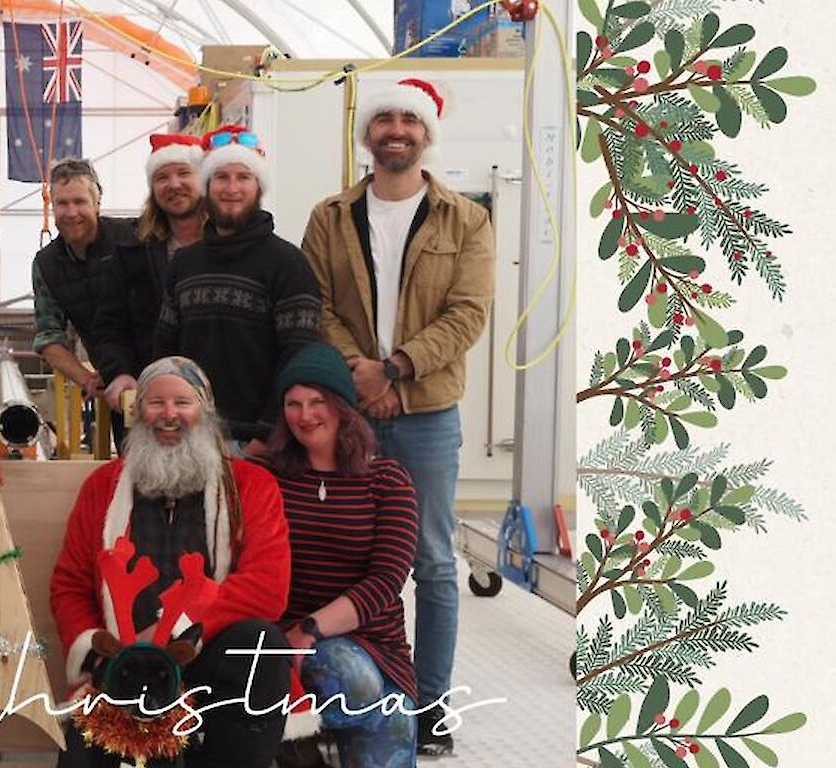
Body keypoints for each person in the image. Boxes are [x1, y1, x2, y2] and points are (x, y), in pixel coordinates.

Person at [299, 78, 495, 756]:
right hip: (351, 410)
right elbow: (315, 303)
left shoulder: (466, 219)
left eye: (409, 118)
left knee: (434, 564)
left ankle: (431, 708)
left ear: (426, 132)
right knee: (344, 556)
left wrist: (398, 367)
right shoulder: (331, 215)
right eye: (384, 116)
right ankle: (355, 697)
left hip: (426, 413)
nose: (395, 128)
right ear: (369, 133)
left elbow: (468, 313)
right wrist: (358, 371)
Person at [49, 356, 295, 768]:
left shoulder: (251, 486)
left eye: (183, 402)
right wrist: (98, 654)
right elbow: (70, 584)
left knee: (261, 645)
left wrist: (172, 627)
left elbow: (267, 586)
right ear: (138, 412)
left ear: (205, 410)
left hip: (207, 661)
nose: (169, 415)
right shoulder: (101, 488)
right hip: (123, 668)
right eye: (155, 402)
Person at [258, 344, 420, 768]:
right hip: (284, 637)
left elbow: (387, 581)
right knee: (350, 679)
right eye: (293, 404)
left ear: (344, 408)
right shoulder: (266, 477)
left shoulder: (387, 480)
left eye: (317, 402)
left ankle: (316, 747)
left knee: (371, 694)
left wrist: (311, 630)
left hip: (372, 643)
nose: (305, 415)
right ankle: (305, 743)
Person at [152, 126, 323, 457]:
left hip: (261, 445)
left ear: (258, 186)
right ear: (207, 186)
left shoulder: (288, 264)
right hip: (190, 438)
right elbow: (166, 355)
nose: (232, 188)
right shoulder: (185, 264)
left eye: (243, 177)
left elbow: (299, 359)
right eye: (221, 178)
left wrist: (268, 434)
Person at [30, 157, 138, 447]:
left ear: (98, 202)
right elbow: (48, 336)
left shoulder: (133, 238)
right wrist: (88, 379)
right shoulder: (47, 264)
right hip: (114, 383)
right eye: (62, 204)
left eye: (80, 201)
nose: (72, 212)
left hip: (158, 376)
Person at [98, 133, 210, 408]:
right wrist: (120, 371)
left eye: (183, 173)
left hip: (221, 402)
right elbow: (110, 325)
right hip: (154, 400)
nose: (173, 184)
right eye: (161, 177)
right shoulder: (131, 252)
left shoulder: (228, 248)